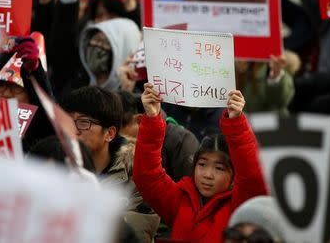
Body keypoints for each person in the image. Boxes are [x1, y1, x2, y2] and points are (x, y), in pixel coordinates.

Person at [133, 83, 268, 242]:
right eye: (202, 164)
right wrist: (152, 117)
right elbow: (147, 176)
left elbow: (253, 177)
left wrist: (237, 122)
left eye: (219, 168)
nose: (208, 175)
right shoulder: (179, 200)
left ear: (233, 175)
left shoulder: (240, 206)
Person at [61, 86, 160, 242]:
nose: (74, 130)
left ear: (109, 133)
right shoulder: (55, 168)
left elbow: (138, 229)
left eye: (83, 122)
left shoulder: (137, 174)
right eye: (68, 121)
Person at [118, 90, 199, 181]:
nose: (112, 136)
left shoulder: (181, 141)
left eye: (117, 130)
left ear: (139, 121)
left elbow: (186, 189)